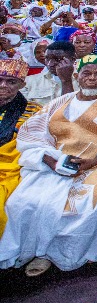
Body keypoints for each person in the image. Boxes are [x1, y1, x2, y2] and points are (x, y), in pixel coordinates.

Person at [0, 54, 97, 276]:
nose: (92, 78)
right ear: (76, 76)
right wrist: (52, 161)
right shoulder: (59, 103)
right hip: (57, 162)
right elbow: (31, 136)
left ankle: (67, 253)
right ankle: (38, 251)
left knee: (92, 201)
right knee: (22, 202)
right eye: (86, 73)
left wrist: (92, 162)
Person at [0, 59, 42, 236]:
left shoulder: (34, 111)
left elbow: (33, 146)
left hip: (10, 169)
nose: (3, 86)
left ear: (22, 84)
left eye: (11, 81)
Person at [21, 40, 76, 106]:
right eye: (47, 58)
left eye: (57, 59)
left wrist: (66, 81)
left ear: (72, 59)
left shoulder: (84, 82)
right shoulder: (29, 81)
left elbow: (70, 110)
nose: (50, 64)